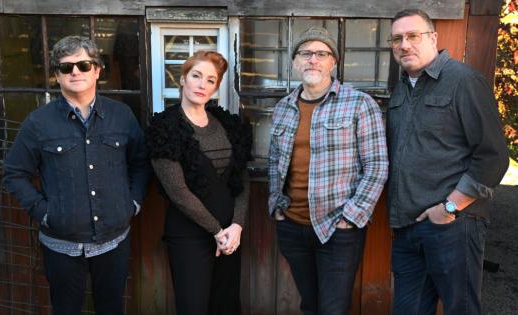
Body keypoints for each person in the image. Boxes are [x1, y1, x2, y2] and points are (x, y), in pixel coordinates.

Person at [2, 36, 152, 315]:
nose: (75, 72)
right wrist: (45, 212)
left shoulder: (122, 115)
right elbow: (14, 173)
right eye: (66, 67)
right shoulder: (38, 122)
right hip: (61, 245)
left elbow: (141, 162)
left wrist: (132, 203)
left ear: (97, 71)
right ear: (56, 75)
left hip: (113, 240)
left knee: (111, 308)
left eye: (84, 65)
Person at [387, 9, 509, 315]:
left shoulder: (463, 80)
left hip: (454, 224)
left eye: (413, 36)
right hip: (406, 226)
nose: (404, 45)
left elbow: (493, 157)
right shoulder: (401, 88)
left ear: (433, 38)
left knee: (462, 309)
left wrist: (450, 207)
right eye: (397, 39)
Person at [268, 26, 389, 314]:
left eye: (321, 53)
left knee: (333, 309)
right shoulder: (283, 107)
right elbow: (274, 161)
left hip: (338, 228)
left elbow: (377, 165)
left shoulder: (360, 104)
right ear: (296, 61)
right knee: (310, 305)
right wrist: (276, 206)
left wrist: (351, 217)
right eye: (306, 53)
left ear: (333, 62)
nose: (313, 60)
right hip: (292, 225)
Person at [145, 51, 252, 315]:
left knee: (225, 305)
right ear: (182, 79)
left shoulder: (228, 124)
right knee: (193, 307)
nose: (202, 84)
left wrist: (236, 226)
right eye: (196, 76)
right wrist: (216, 232)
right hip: (190, 237)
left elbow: (241, 178)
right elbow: (178, 192)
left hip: (230, 237)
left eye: (211, 80)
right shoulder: (165, 128)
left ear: (216, 87)